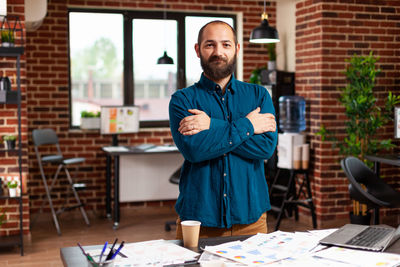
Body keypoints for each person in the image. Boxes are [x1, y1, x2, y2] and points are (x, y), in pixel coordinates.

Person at [169, 20, 277, 238]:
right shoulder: (182, 100)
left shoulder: (259, 96)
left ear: (237, 49)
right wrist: (248, 126)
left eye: (226, 44)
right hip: (198, 221)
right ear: (198, 50)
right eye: (210, 45)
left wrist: (212, 125)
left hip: (251, 220)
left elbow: (265, 148)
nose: (218, 52)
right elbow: (195, 150)